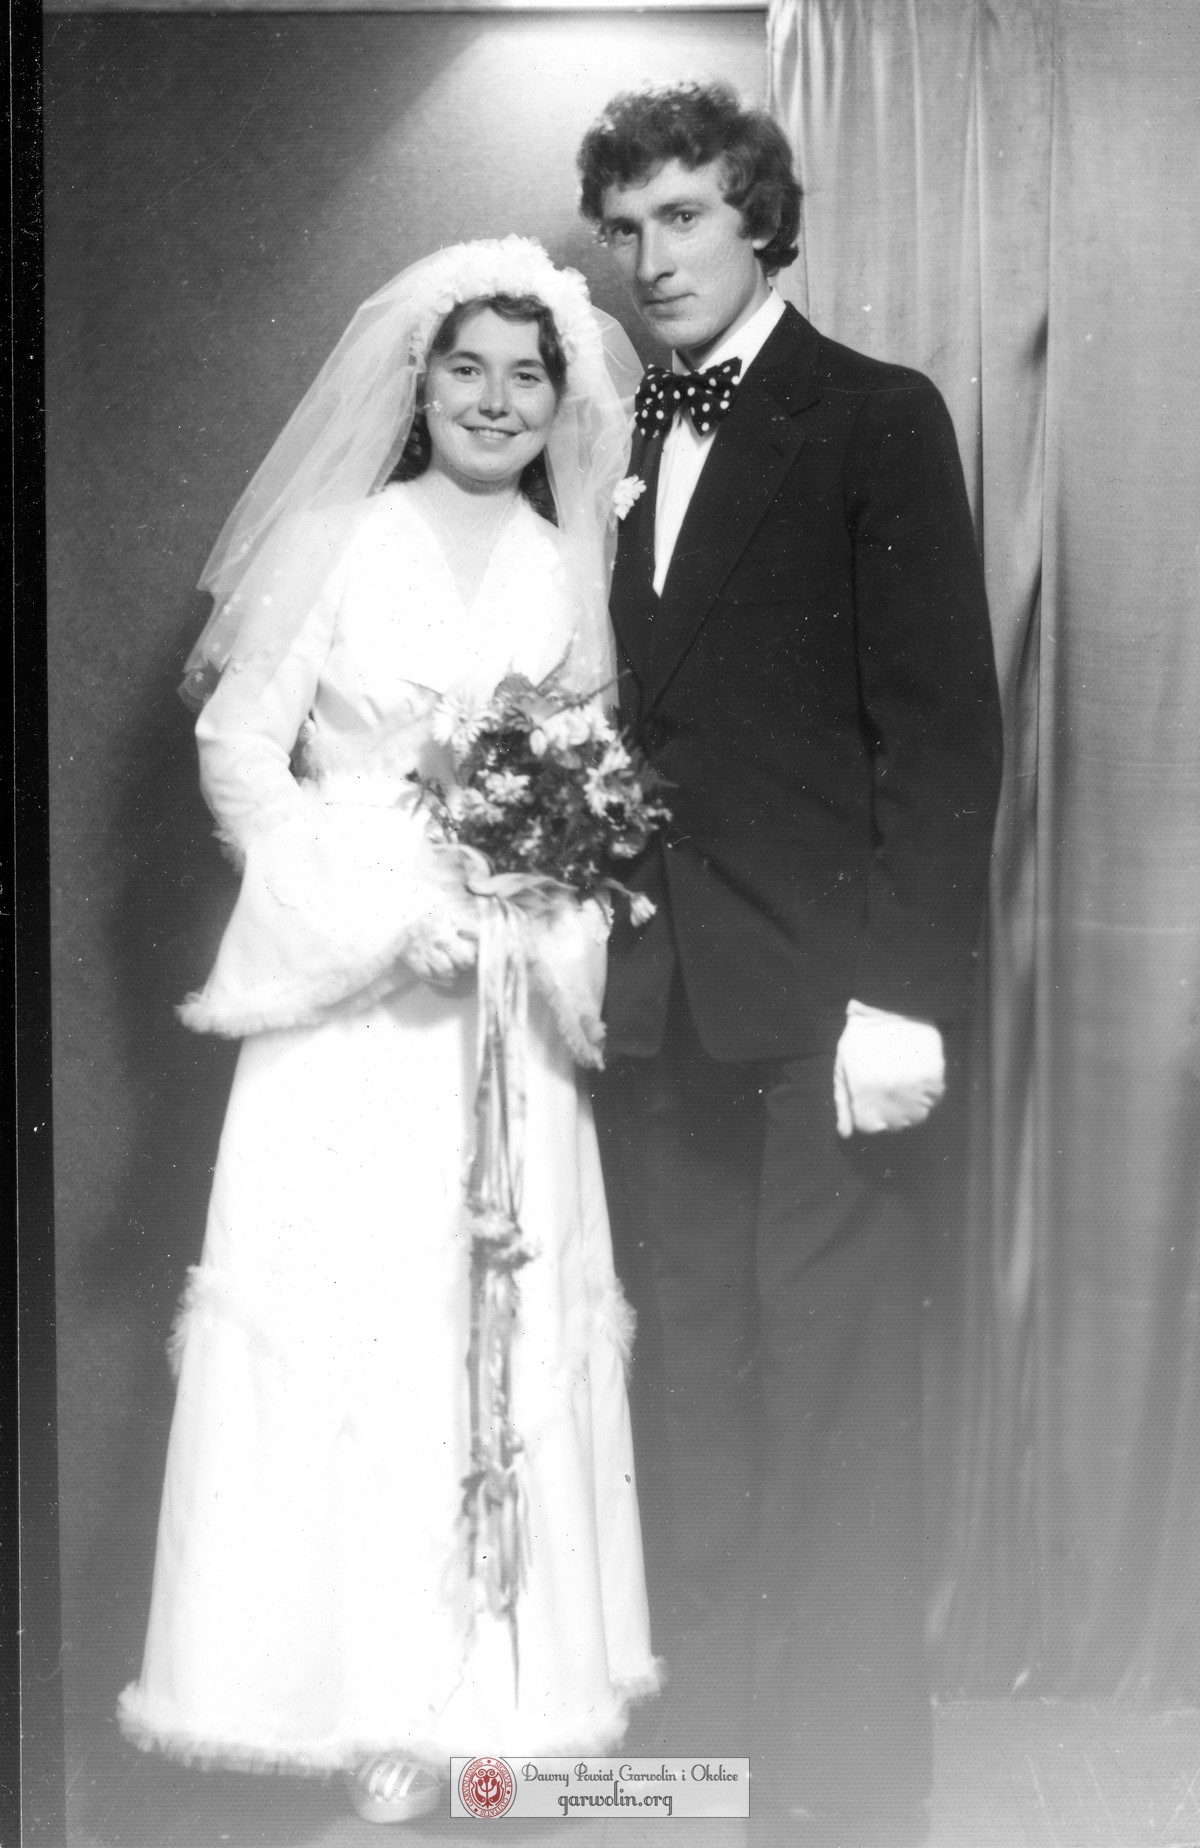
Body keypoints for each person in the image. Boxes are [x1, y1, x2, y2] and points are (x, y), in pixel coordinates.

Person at [117, 237, 659, 1823]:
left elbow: (592, 779)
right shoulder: (339, 540)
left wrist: (533, 904)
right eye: (466, 369)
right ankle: (341, 1699)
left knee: (490, 1320)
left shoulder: (565, 565)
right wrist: (373, 912)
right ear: (417, 383)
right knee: (354, 1318)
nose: (496, 400)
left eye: (527, 375)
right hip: (356, 1005)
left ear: (560, 399)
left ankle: (486, 1710)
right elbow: (242, 753)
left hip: (504, 999)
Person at [577, 84, 1003, 1847]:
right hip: (664, 1006)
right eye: (625, 228)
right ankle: (714, 1773)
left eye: (683, 216)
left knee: (830, 1391)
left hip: (830, 1012)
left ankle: (841, 1798)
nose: (649, 256)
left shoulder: (874, 415)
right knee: (689, 1379)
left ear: (761, 218)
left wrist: (903, 997)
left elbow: (944, 732)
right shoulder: (611, 425)